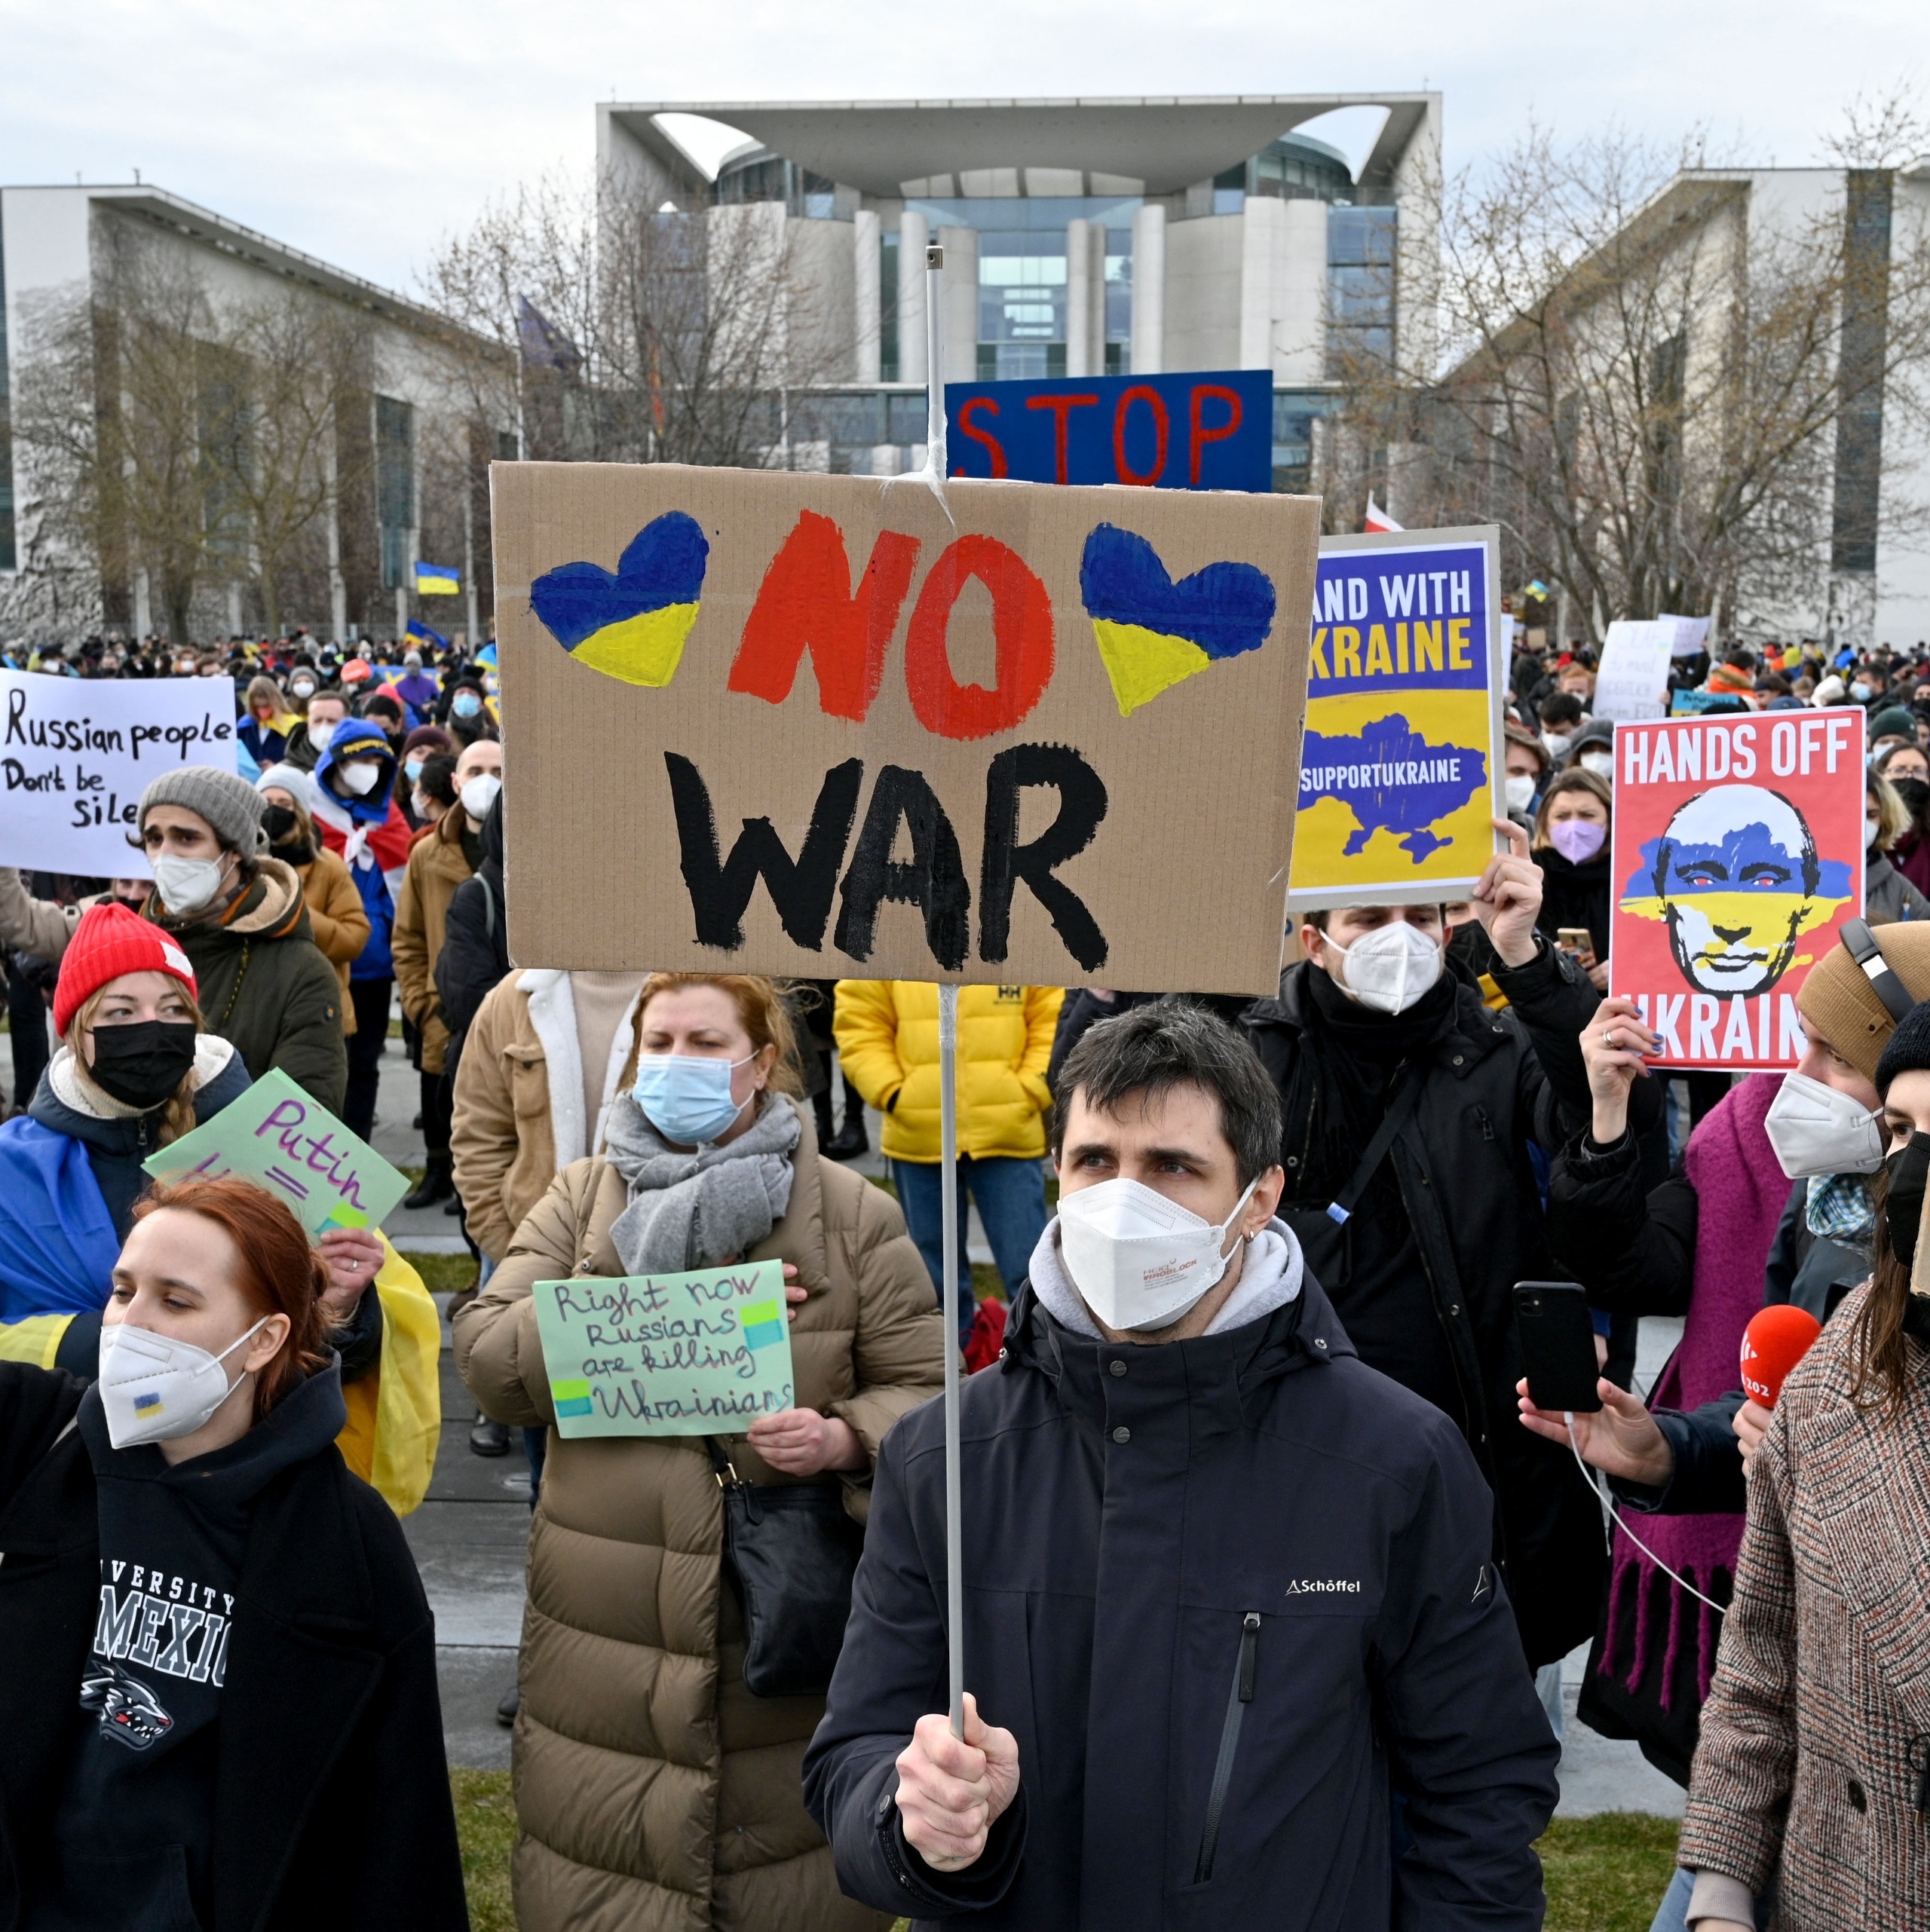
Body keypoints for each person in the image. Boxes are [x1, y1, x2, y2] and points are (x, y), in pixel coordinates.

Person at [803, 1000, 1559, 1929]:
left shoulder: (1394, 1461)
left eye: (1172, 1167)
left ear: (1261, 1196)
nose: (1127, 1200)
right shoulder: (944, 1457)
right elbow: (852, 1756)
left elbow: (1480, 1785)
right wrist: (913, 1814)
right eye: (1095, 1161)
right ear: (1054, 1174)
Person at [454, 971, 945, 1931]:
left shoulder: (850, 1212)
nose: (675, 1063)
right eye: (660, 1041)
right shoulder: (582, 1197)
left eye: (706, 1043)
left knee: (781, 1875)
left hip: (781, 1627)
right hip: (607, 1621)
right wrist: (637, 1303)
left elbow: (927, 1397)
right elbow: (488, 1359)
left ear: (762, 1063)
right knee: (606, 1862)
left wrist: (844, 1437)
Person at [1524, 923, 1930, 1802]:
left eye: (1834, 1058)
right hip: (1803, 1637)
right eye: (1803, 1047)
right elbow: (1776, 1401)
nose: (1800, 1081)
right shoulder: (1805, 1185)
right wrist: (1668, 1450)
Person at [0, 1173, 467, 1929]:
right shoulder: (37, 1441)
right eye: (123, 1291)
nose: (130, 1325)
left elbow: (396, 1826)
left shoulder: (345, 1537)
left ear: (266, 1338)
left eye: (176, 1301)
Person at [1239, 819, 1619, 1675]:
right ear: (1315, 940)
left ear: (1450, 929)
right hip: (1319, 1445)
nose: (1397, 939)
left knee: (1494, 1711)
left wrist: (1532, 970)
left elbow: (1592, 1150)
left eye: (1417, 915)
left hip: (1482, 1443)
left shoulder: (1495, 1044)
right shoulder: (1259, 1057)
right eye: (1369, 919)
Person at [1654, 1000, 1930, 1930]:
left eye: (1829, 1051)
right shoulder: (1846, 1341)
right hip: (1833, 1884)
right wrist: (1721, 1901)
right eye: (1898, 1130)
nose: (1909, 1167)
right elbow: (1759, 1669)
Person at [834, 981, 1062, 1344]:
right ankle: (949, 1372)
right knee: (934, 1277)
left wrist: (1029, 1088)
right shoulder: (891, 932)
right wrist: (893, 1093)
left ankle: (1042, 1365)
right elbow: (860, 1022)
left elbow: (1050, 1016)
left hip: (1006, 1130)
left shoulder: (1015, 927)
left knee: (1033, 1271)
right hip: (919, 1131)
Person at [136, 767, 348, 1113]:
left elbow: (303, 1119)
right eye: (154, 838)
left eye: (186, 838)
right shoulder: (133, 954)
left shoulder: (301, 972)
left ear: (234, 849)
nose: (165, 855)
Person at [391, 738, 501, 1208]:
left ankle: (473, 1189)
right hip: (443, 1008)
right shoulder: (427, 852)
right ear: (455, 781)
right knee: (439, 1096)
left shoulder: (538, 850)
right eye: (475, 770)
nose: (487, 780)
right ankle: (439, 1173)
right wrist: (420, 1001)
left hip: (504, 1007)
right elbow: (409, 937)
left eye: (497, 769)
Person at [304, 720, 412, 1141]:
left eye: (376, 761)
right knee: (323, 1065)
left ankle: (357, 1151)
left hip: (374, 969)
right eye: (360, 759)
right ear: (337, 761)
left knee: (365, 1065)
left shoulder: (390, 819)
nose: (368, 768)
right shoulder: (307, 815)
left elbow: (405, 892)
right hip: (322, 966)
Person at [255, 773, 370, 1047]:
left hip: (317, 1010)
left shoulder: (327, 865)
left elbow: (354, 939)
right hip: (257, 1014)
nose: (273, 811)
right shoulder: (237, 865)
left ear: (302, 811)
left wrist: (294, 910)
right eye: (266, 801)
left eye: (284, 803)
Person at [1530, 767, 1614, 987]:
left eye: (1588, 815)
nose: (1574, 826)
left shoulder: (1631, 872)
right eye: (1562, 816)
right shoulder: (1531, 871)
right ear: (1546, 823)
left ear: (1610, 820)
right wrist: (1543, 958)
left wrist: (1626, 968)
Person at [1866, 769, 1930, 923]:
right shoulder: (1799, 877)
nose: (1860, 823)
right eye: (1851, 812)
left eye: (1871, 815)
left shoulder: (1903, 892)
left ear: (1885, 819)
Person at [1876, 739, 1930, 896]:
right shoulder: (1866, 833)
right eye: (1899, 770)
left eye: (1918, 771)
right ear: (1881, 776)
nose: (1909, 776)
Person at [280, 685, 348, 772]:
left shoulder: (360, 763)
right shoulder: (286, 771)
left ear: (347, 722)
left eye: (331, 721)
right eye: (317, 721)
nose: (324, 726)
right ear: (308, 722)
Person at [237, 674, 297, 766]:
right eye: (257, 707)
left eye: (266, 706)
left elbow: (298, 759)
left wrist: (277, 767)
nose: (262, 711)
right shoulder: (245, 726)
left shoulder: (292, 724)